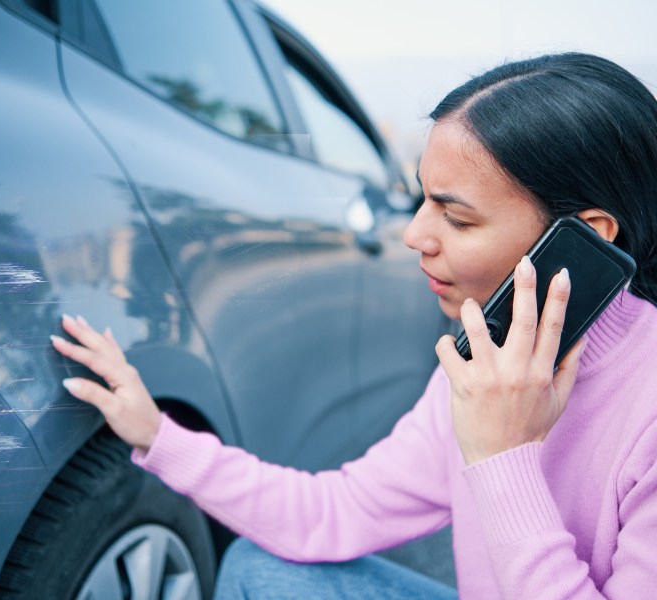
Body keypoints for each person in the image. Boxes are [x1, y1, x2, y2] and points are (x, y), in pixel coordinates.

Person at [50, 52, 657, 599]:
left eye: (458, 219)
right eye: (422, 200)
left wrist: (502, 456)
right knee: (262, 568)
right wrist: (158, 435)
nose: (415, 235)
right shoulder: (481, 369)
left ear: (585, 238)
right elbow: (335, 511)